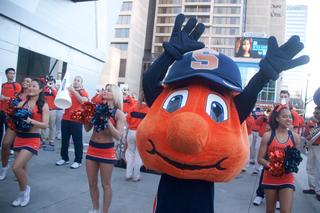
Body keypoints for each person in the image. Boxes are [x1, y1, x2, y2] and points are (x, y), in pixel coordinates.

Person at [84, 84, 124, 213]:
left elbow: (118, 136)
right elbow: (87, 129)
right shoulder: (96, 108)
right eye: (105, 90)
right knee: (91, 182)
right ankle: (95, 208)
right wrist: (86, 118)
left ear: (115, 94)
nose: (105, 92)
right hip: (92, 148)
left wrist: (107, 122)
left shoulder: (118, 113)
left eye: (108, 90)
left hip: (107, 151)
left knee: (105, 184)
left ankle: (104, 211)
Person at [11, 78, 49, 207]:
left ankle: (25, 191)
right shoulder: (22, 103)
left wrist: (30, 121)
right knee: (21, 168)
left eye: (34, 86)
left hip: (32, 139)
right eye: (30, 86)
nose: (31, 88)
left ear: (40, 89)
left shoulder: (43, 105)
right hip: (19, 137)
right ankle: (22, 192)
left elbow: (45, 125)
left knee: (16, 167)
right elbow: (15, 120)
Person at [257, 105, 300, 213]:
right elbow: (260, 159)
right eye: (285, 116)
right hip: (270, 177)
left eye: (290, 117)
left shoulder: (295, 137)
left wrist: (290, 164)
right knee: (270, 210)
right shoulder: (268, 136)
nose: (288, 119)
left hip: (287, 177)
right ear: (277, 118)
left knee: (286, 211)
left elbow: (297, 159)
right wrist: (274, 166)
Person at [0, 77, 31, 181]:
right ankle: (4, 167)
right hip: (13, 123)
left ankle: (20, 172)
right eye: (23, 80)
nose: (25, 82)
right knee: (5, 144)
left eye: (28, 81)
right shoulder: (17, 95)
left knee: (21, 149)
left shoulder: (32, 97)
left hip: (24, 125)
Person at [55, 76, 89, 169]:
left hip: (76, 119)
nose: (76, 82)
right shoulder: (68, 91)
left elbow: (83, 101)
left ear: (81, 83)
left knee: (77, 141)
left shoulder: (83, 92)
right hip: (66, 118)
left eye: (78, 80)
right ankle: (64, 158)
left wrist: (74, 91)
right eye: (75, 80)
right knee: (64, 140)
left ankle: (78, 160)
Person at [125, 92, 149, 181]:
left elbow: (127, 120)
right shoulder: (149, 109)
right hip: (141, 133)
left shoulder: (133, 107)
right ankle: (136, 177)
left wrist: (127, 133)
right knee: (138, 155)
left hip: (131, 132)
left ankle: (128, 175)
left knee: (130, 154)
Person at [0, 68, 21, 148]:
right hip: (1, 110)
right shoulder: (2, 85)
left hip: (10, 111)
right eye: (10, 73)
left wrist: (5, 98)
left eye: (13, 73)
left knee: (9, 130)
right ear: (6, 75)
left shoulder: (16, 85)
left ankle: (11, 147)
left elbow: (17, 99)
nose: (12, 75)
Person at [303, 106, 320, 201]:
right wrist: (310, 132)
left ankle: (319, 190)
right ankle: (312, 187)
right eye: (314, 113)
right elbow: (306, 134)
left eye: (317, 113)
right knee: (310, 167)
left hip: (319, 147)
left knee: (319, 169)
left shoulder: (317, 123)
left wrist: (317, 123)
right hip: (311, 146)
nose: (315, 115)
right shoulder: (310, 123)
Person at [41, 77, 58, 146]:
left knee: (52, 126)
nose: (50, 84)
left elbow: (57, 97)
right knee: (43, 125)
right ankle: (43, 139)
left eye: (52, 83)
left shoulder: (55, 90)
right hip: (45, 109)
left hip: (52, 110)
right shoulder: (44, 89)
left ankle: (51, 139)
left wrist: (52, 89)